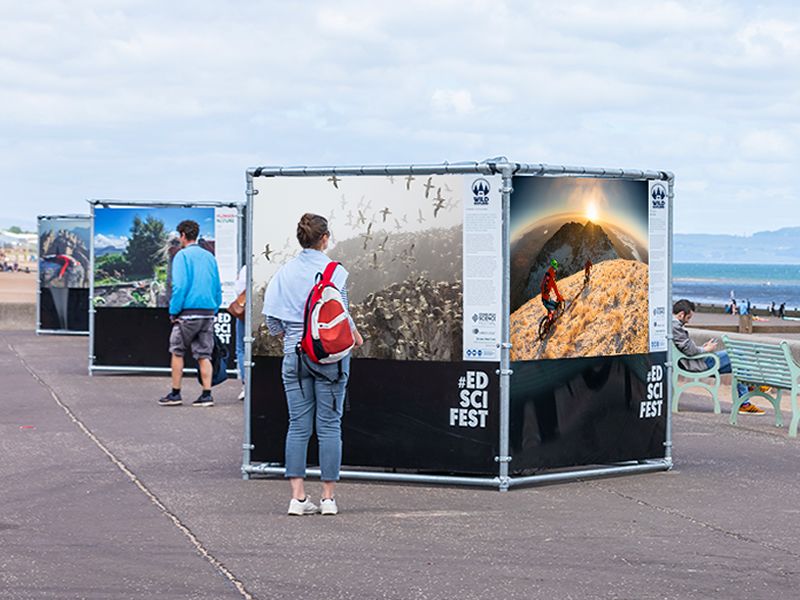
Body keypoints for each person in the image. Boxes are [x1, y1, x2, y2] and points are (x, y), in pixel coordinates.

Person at [263, 213, 364, 516]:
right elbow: (340, 312)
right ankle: (329, 499)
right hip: (330, 359)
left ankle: (298, 498)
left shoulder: (284, 272)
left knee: (298, 425)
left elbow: (271, 322)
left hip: (295, 356)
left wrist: (294, 335)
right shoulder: (335, 271)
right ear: (325, 238)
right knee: (330, 426)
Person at [158, 220, 222, 408]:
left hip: (187, 314)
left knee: (177, 351)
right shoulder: (209, 257)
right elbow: (217, 287)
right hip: (208, 313)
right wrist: (214, 309)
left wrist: (173, 311)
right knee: (204, 354)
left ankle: (176, 393)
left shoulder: (182, 256)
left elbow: (179, 286)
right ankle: (206, 395)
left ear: (183, 236)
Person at [672, 299, 764, 415]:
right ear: (681, 314)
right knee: (736, 352)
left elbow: (687, 348)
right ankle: (750, 390)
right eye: (688, 318)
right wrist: (706, 349)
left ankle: (745, 401)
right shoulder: (675, 327)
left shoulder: (670, 326)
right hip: (698, 364)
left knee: (738, 365)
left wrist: (702, 348)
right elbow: (691, 351)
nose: (688, 321)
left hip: (694, 361)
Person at [234, 265, 247, 401]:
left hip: (245, 313)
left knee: (241, 349)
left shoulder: (246, 268)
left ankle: (246, 385)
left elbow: (238, 289)